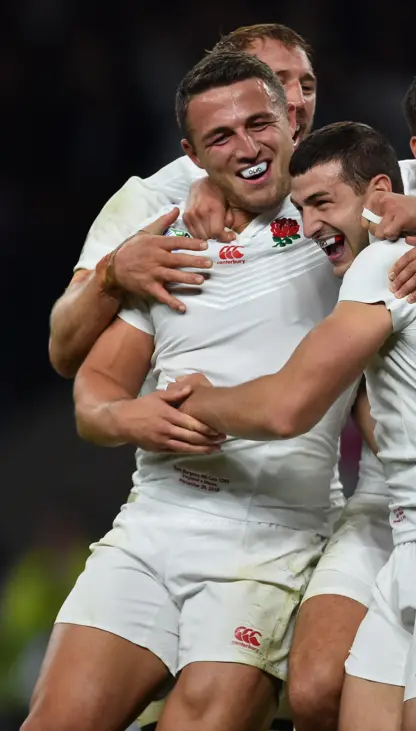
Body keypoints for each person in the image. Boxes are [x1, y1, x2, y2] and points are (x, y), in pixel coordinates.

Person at [167, 119, 416, 731]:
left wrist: (192, 401)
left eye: (323, 203)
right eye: (300, 209)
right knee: (319, 694)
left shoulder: (390, 260)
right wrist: (208, 187)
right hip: (415, 544)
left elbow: (287, 407)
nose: (307, 226)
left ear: (383, 195)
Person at [23, 51, 355, 731]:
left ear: (292, 123)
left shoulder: (342, 222)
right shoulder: (168, 239)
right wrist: (129, 417)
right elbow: (91, 394)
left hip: (272, 536)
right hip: (156, 524)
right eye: (222, 138)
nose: (249, 146)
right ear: (193, 156)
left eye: (260, 124)